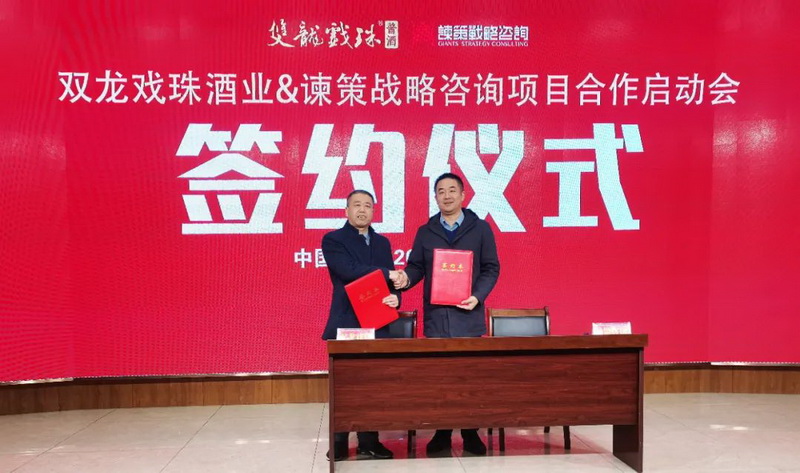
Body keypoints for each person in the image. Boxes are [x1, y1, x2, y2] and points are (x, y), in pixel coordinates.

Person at [399, 172, 500, 456]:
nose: (447, 196)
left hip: (468, 314)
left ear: (463, 195)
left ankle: (470, 433)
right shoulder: (425, 231)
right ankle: (442, 432)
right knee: (440, 377)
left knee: (469, 377)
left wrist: (477, 296)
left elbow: (491, 268)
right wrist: (405, 278)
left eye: (452, 190)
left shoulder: (481, 229)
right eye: (441, 191)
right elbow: (417, 267)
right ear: (435, 197)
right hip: (438, 316)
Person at [321, 189, 406, 461]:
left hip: (377, 321)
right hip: (348, 321)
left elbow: (391, 283)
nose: (362, 210)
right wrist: (387, 274)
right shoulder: (333, 239)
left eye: (367, 205)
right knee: (344, 385)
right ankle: (339, 442)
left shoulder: (382, 242)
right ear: (346, 211)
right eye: (356, 205)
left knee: (372, 385)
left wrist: (397, 297)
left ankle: (369, 441)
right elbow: (348, 270)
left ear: (373, 211)